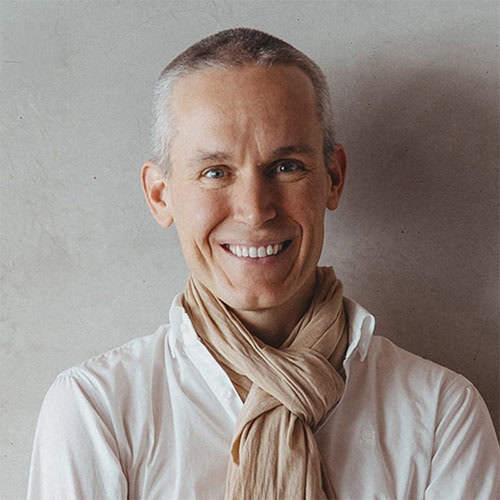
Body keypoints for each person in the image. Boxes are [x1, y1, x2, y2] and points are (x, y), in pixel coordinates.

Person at [27, 28, 499, 499]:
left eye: (286, 166)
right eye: (215, 172)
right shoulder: (97, 412)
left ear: (333, 178)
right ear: (160, 195)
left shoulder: (440, 416)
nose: (254, 210)